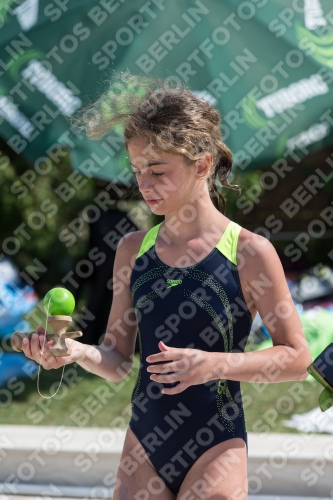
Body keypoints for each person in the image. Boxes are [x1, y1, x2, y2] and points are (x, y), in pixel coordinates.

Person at [21, 74, 312, 500]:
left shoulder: (249, 252)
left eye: (157, 170)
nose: (143, 184)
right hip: (144, 443)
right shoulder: (133, 250)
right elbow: (119, 359)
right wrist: (72, 351)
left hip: (216, 443)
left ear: (202, 164)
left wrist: (213, 364)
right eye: (137, 170)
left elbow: (297, 358)